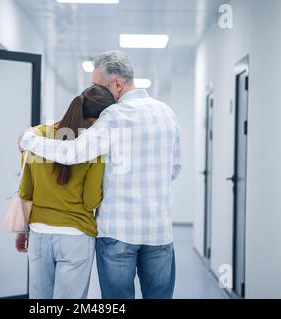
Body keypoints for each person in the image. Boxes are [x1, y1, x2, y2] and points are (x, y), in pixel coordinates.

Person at [19, 51, 181, 299]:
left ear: (117, 84)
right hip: (159, 232)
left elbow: (72, 151)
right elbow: (175, 169)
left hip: (118, 234)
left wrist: (30, 140)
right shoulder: (167, 113)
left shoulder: (113, 116)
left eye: (97, 86)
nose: (94, 92)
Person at [15, 85, 116, 299]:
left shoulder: (37, 135)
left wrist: (23, 232)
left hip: (39, 234)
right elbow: (90, 201)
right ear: (97, 120)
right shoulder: (94, 148)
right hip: (76, 237)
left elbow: (26, 192)